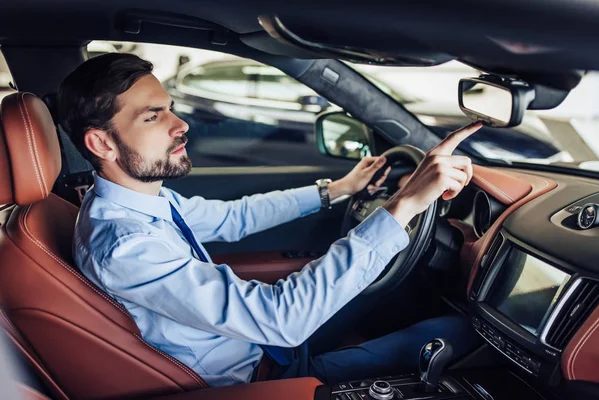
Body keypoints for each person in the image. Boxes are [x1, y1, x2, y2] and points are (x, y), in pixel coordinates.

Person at [58, 53, 482, 387]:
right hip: (260, 377)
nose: (181, 124)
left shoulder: (133, 202)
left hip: (257, 343)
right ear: (102, 143)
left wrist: (338, 189)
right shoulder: (127, 244)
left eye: (169, 108)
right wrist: (404, 205)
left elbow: (232, 217)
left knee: (390, 304)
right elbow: (282, 319)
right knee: (455, 333)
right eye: (153, 116)